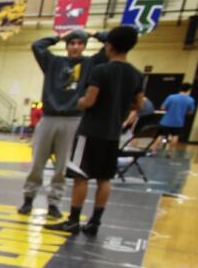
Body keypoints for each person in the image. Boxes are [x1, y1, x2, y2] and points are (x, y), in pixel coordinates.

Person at [46, 25, 143, 237]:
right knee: (104, 178)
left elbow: (89, 101)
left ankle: (73, 221)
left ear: (108, 46)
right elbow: (139, 105)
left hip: (91, 130)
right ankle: (95, 223)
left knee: (81, 176)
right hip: (112, 132)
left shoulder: (101, 70)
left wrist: (79, 101)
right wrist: (121, 110)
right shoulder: (136, 75)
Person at [20, 29, 108, 217]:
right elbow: (37, 45)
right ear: (67, 45)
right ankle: (28, 198)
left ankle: (54, 202)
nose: (75, 47)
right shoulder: (53, 62)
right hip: (49, 117)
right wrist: (60, 35)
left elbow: (110, 45)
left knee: (62, 166)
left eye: (79, 43)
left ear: (84, 46)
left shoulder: (90, 64)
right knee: (37, 162)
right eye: (72, 43)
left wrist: (94, 33)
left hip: (73, 118)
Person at [152, 84, 194, 157]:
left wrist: (170, 109)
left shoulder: (171, 97)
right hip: (178, 122)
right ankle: (169, 153)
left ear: (180, 89)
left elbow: (162, 107)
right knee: (175, 136)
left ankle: (153, 150)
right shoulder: (190, 100)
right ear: (188, 90)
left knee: (161, 135)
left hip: (166, 121)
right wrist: (183, 112)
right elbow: (190, 112)